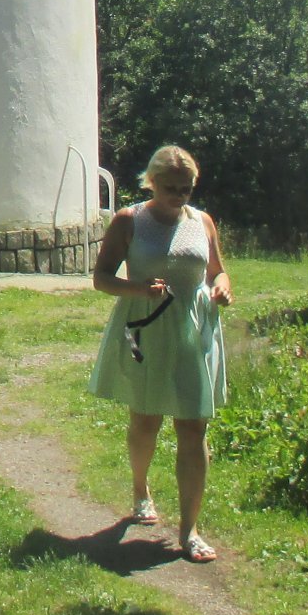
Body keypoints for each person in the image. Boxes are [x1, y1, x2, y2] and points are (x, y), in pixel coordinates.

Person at [87, 144, 232, 562]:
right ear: (151, 182)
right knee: (146, 420)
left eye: (186, 188)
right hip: (144, 331)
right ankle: (140, 489)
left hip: (194, 333)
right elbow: (100, 279)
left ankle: (189, 531)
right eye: (170, 187)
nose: (178, 195)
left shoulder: (201, 221)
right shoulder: (129, 221)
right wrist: (138, 289)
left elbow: (217, 269)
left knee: (193, 428)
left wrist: (222, 285)